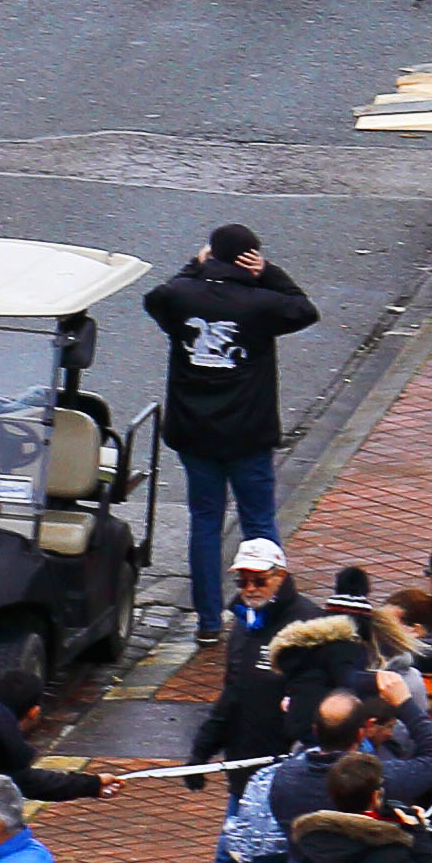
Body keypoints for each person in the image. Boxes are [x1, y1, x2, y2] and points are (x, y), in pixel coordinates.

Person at [143, 223, 321, 629]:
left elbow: (156, 297)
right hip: (248, 432)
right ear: (249, 258)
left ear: (212, 255)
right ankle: (267, 610)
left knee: (205, 522)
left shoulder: (180, 296)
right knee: (257, 522)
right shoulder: (259, 303)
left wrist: (193, 265)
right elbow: (303, 308)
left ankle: (207, 621)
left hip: (194, 432)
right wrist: (270, 271)